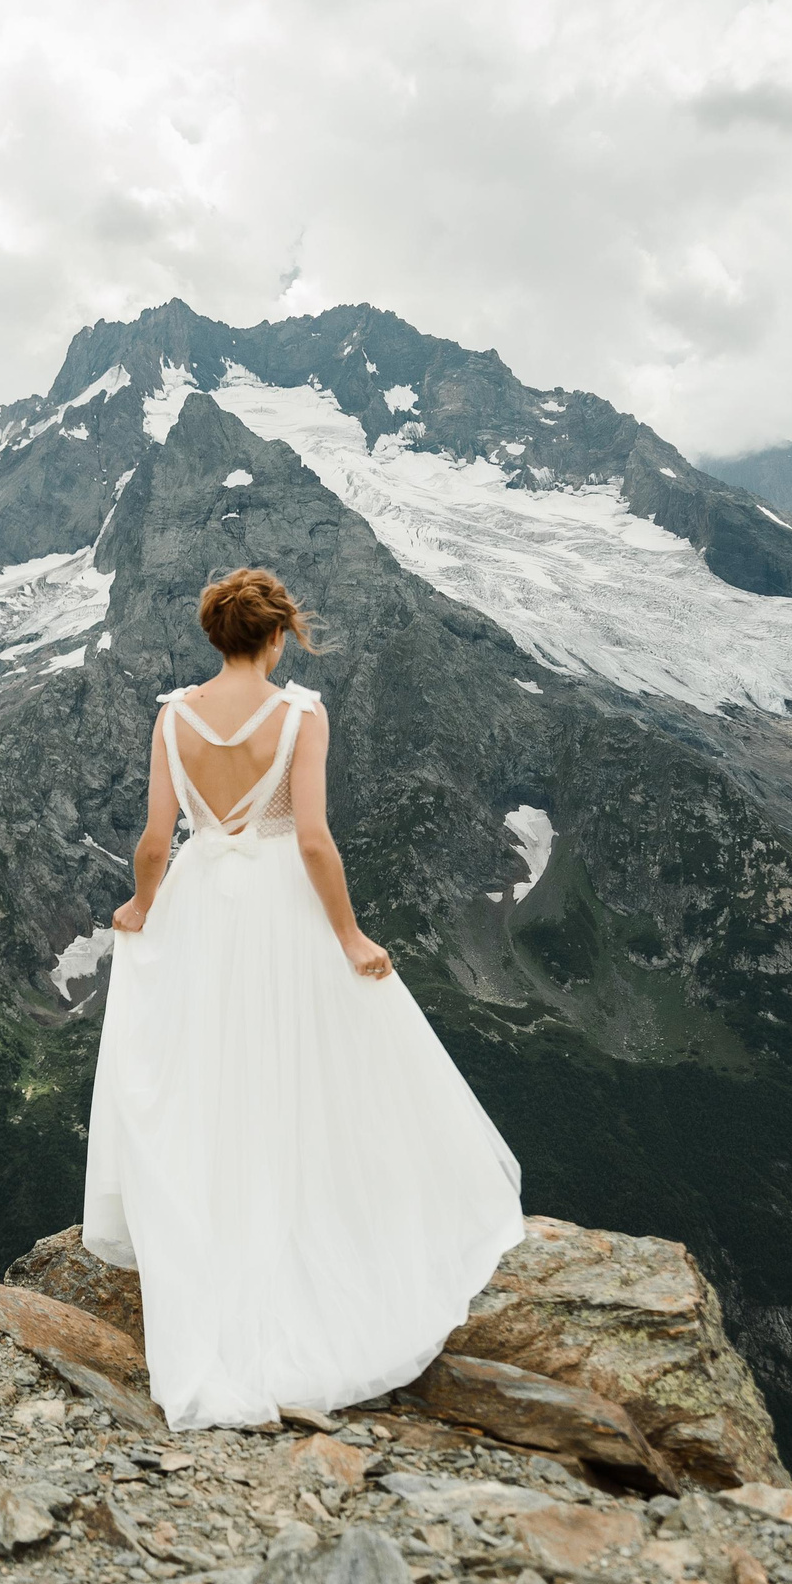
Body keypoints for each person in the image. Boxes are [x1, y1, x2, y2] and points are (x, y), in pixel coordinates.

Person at [82, 566, 526, 1429]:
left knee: (211, 1070)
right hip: (284, 900)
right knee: (306, 1065)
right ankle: (309, 1234)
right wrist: (351, 936)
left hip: (204, 899)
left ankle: (220, 1237)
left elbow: (151, 840)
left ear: (217, 635)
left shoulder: (173, 716)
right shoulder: (300, 715)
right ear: (278, 633)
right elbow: (315, 840)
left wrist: (142, 907)